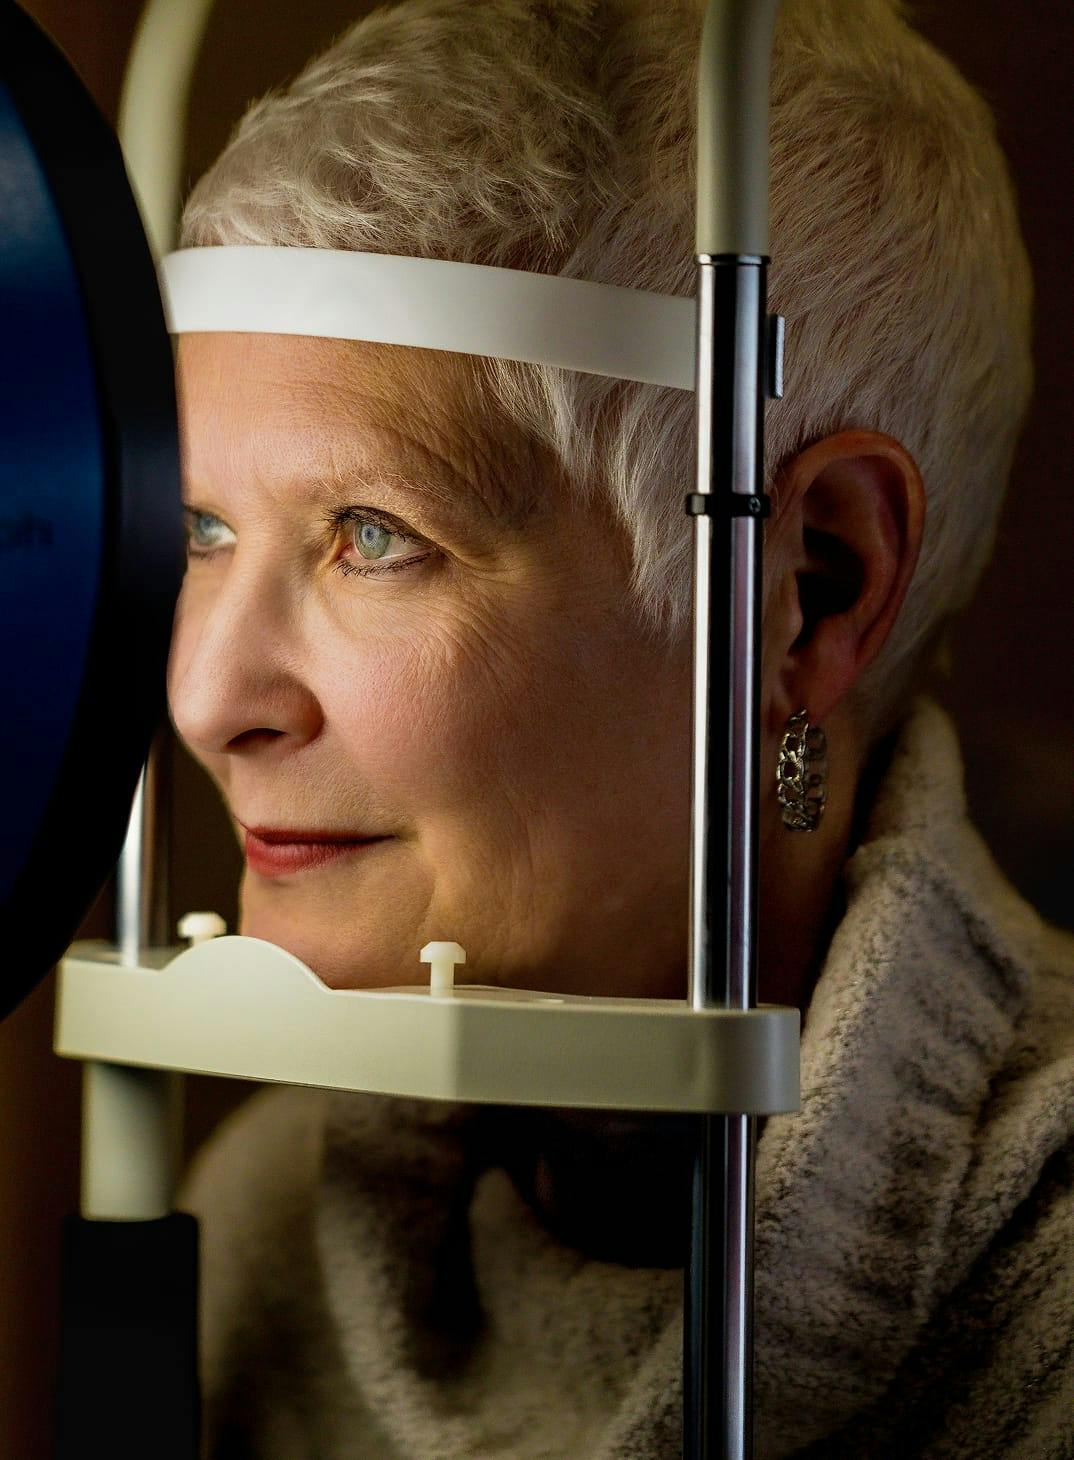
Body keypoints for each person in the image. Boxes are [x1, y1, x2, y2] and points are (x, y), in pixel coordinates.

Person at [167, 0, 1074, 1454]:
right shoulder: (262, 1226)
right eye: (202, 528)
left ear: (806, 589)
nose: (208, 699)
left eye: (374, 535)